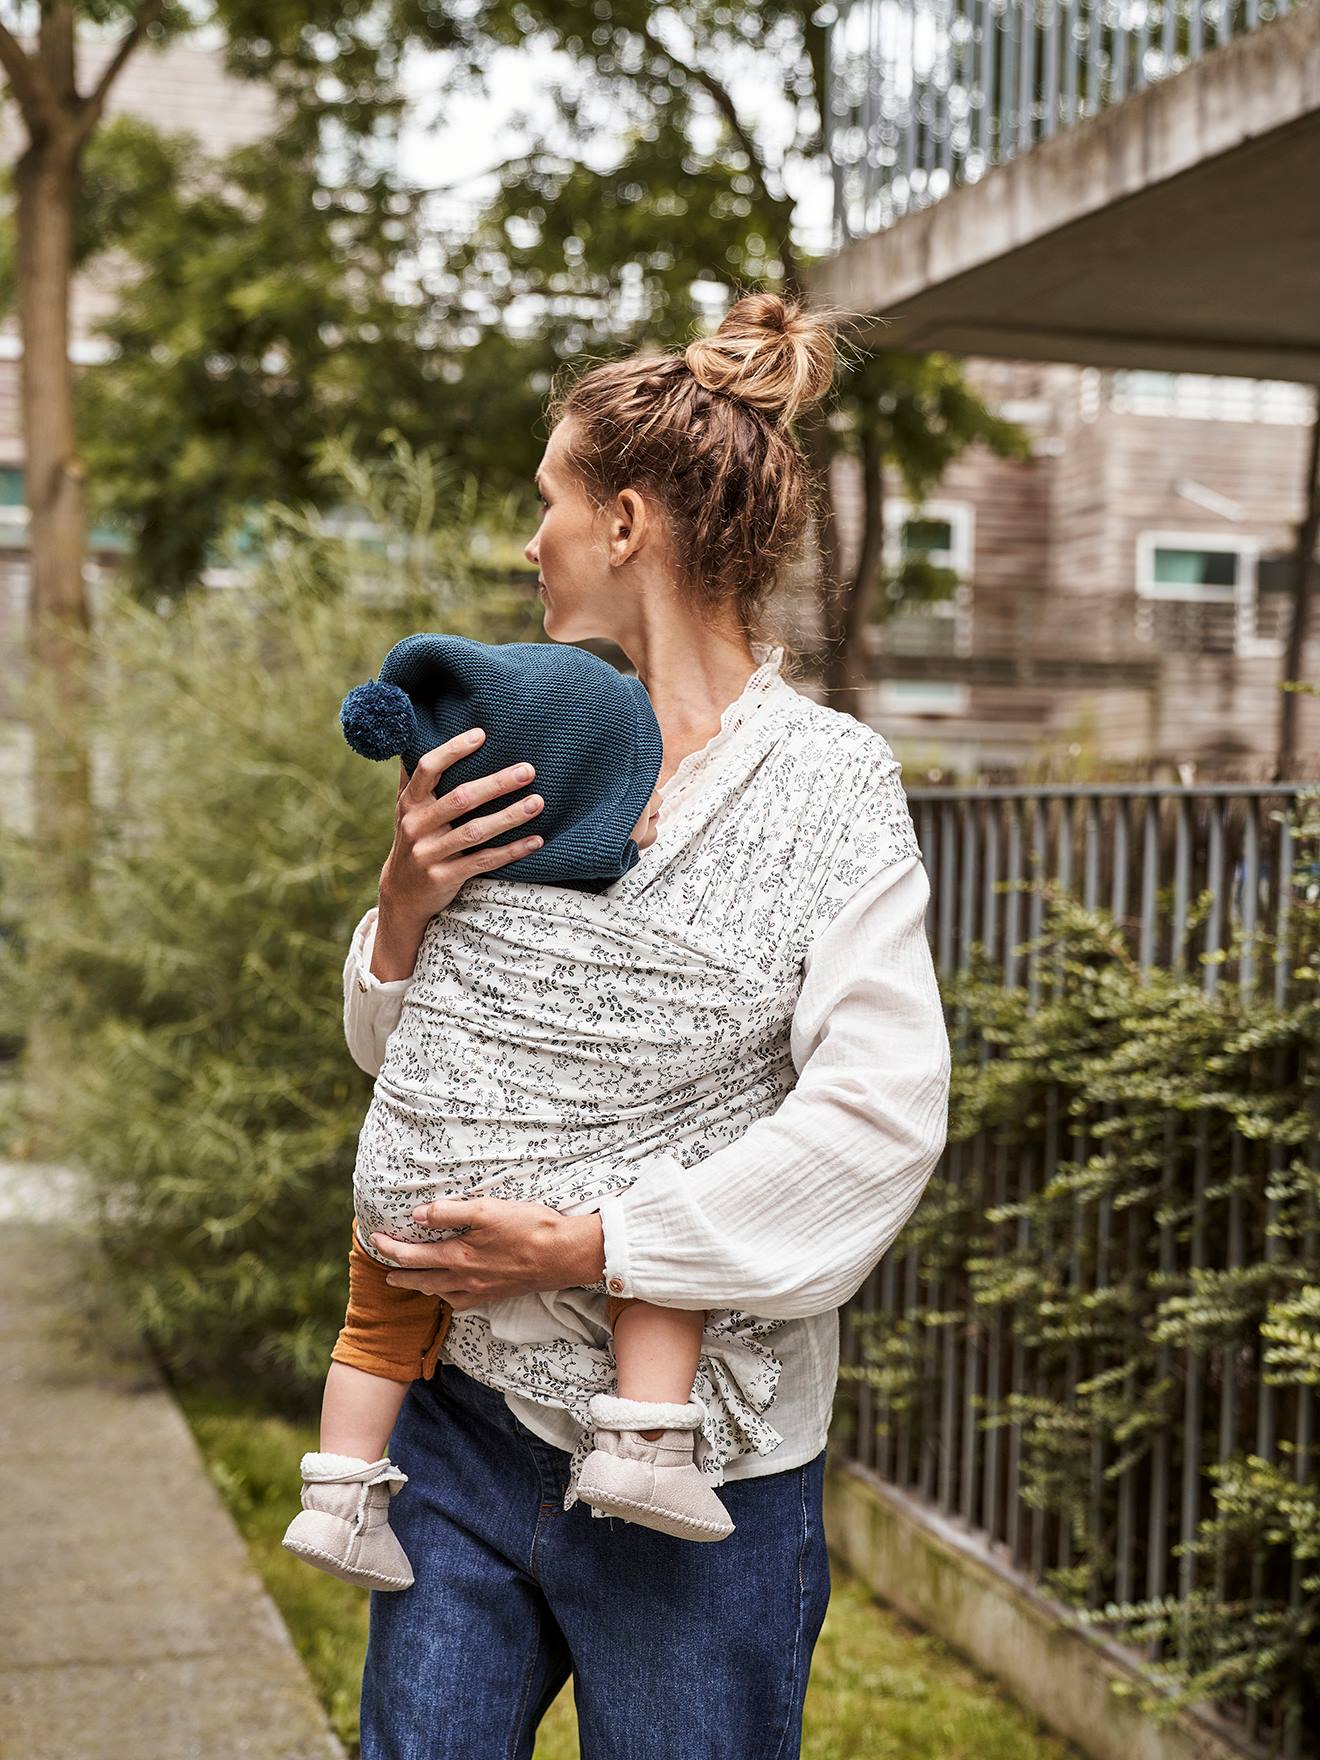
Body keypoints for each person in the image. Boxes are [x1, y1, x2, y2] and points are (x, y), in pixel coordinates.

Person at [342, 291, 951, 1760]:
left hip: (708, 1470)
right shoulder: (543, 734)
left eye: (547, 500)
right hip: (461, 1415)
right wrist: (403, 911)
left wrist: (591, 1248)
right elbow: (427, 1068)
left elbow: (875, 1124)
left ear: (625, 523)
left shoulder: (827, 789)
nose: (525, 542)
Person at [283, 634, 749, 1595]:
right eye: (643, 786)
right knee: (656, 1237)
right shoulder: (607, 922)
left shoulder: (451, 909)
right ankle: (645, 1443)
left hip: (395, 1185)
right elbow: (675, 1040)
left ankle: (336, 1504)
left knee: (374, 1326)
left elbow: (387, 1040)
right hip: (534, 1183)